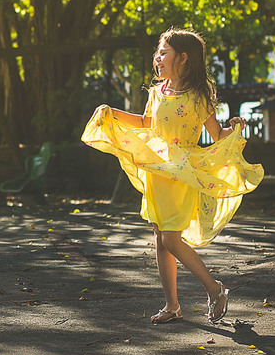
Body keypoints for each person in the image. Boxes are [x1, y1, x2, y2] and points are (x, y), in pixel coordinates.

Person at [82, 28, 263, 325]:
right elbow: (144, 122)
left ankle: (215, 288)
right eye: (158, 52)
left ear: (183, 58)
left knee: (171, 238)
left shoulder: (198, 97)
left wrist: (235, 130)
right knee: (160, 238)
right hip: (158, 169)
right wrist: (111, 112)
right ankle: (172, 305)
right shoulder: (157, 92)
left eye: (163, 52)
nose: (157, 57)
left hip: (182, 172)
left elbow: (217, 135)